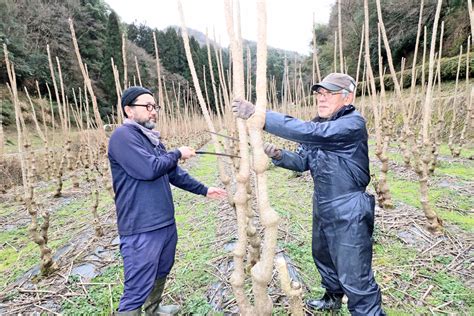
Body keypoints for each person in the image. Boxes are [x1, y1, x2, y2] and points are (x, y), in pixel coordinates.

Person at [232, 73, 385, 316]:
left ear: (348, 98)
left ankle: (368, 312)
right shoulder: (321, 124)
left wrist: (260, 115)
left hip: (349, 206)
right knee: (324, 256)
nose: (321, 99)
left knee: (354, 271)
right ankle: (333, 296)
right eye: (319, 94)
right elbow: (303, 160)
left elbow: (311, 133)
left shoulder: (352, 123)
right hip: (323, 203)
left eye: (329, 94)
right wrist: (280, 155)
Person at [108, 86, 227, 315]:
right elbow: (149, 169)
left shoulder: (151, 139)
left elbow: (172, 173)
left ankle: (153, 309)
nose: (153, 111)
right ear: (129, 110)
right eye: (148, 106)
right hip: (141, 226)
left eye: (155, 106)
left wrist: (204, 189)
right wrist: (177, 153)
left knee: (162, 268)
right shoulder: (123, 137)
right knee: (137, 284)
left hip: (164, 221)